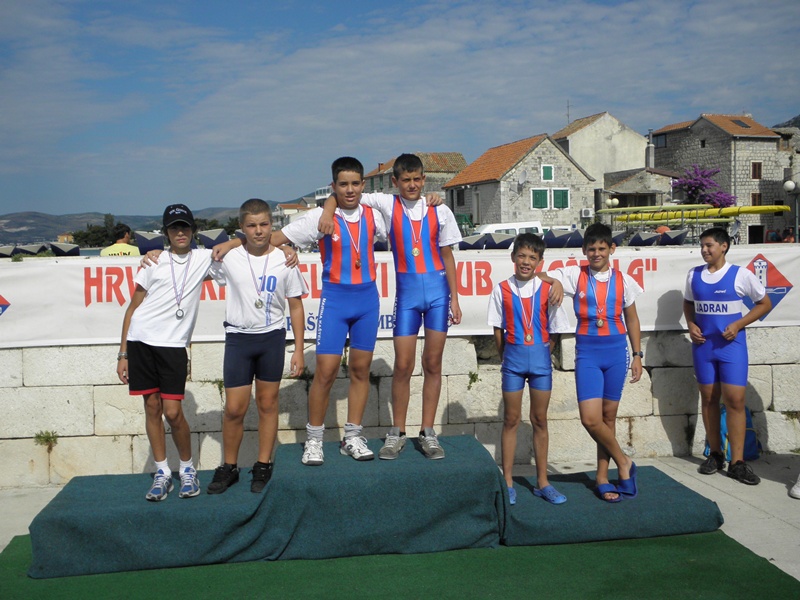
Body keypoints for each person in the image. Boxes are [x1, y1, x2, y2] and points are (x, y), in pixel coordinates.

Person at [319, 153, 462, 460]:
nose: (412, 185)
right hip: (407, 297)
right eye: (405, 180)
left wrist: (455, 298)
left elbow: (448, 256)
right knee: (403, 365)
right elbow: (344, 194)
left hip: (438, 295)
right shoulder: (386, 203)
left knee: (433, 363)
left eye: (417, 179)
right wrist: (328, 212)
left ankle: (428, 432)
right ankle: (396, 432)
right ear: (395, 182)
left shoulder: (440, 209)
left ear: (424, 180)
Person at [272, 156, 387, 466]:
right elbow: (272, 239)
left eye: (355, 184)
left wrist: (431, 200)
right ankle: (314, 440)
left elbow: (409, 214)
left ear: (363, 184)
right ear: (333, 185)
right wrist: (285, 247)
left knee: (360, 370)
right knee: (325, 372)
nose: (350, 190)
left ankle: (352, 436)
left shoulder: (375, 215)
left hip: (367, 301)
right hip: (335, 300)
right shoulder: (319, 218)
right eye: (343, 185)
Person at [205, 199, 308, 494]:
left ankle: (263, 464)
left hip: (271, 338)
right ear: (242, 227)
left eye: (264, 224)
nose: (258, 231)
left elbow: (296, 307)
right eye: (251, 226)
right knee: (234, 409)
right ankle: (229, 466)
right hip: (239, 339)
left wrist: (298, 349)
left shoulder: (285, 259)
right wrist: (156, 254)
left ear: (272, 225)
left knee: (267, 404)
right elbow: (189, 263)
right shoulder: (230, 258)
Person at [116, 204, 212, 501]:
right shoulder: (153, 262)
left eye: (185, 227)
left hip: (173, 347)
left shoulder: (204, 258)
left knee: (172, 412)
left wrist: (287, 249)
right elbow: (133, 308)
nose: (180, 232)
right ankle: (162, 473)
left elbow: (244, 245)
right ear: (166, 233)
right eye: (174, 228)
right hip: (140, 340)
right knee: (152, 408)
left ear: (193, 230)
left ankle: (187, 469)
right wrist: (122, 354)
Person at [548, 222, 643, 503]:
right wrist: (555, 282)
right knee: (590, 419)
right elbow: (542, 275)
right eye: (591, 249)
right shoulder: (574, 274)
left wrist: (638, 355)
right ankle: (624, 461)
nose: (596, 253)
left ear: (612, 249)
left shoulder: (624, 280)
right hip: (588, 352)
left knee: (608, 419)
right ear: (584, 250)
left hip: (616, 352)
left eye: (602, 248)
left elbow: (632, 319)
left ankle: (603, 477)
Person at [684, 227, 772, 485]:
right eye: (702, 246)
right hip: (704, 348)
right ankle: (715, 454)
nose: (704, 250)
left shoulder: (741, 275)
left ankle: (738, 463)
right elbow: (688, 303)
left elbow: (765, 303)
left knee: (735, 401)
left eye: (709, 245)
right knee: (709, 399)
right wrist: (690, 324)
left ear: (724, 246)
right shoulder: (693, 274)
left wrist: (739, 324)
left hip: (731, 348)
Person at [487, 233, 567, 505]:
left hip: (541, 363)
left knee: (539, 420)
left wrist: (544, 350)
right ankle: (508, 481)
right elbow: (497, 329)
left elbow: (555, 327)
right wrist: (506, 356)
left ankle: (543, 482)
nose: (526, 261)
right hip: (513, 362)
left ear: (540, 261)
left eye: (532, 257)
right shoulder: (501, 289)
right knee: (511, 419)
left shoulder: (548, 288)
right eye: (521, 255)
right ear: (513, 257)